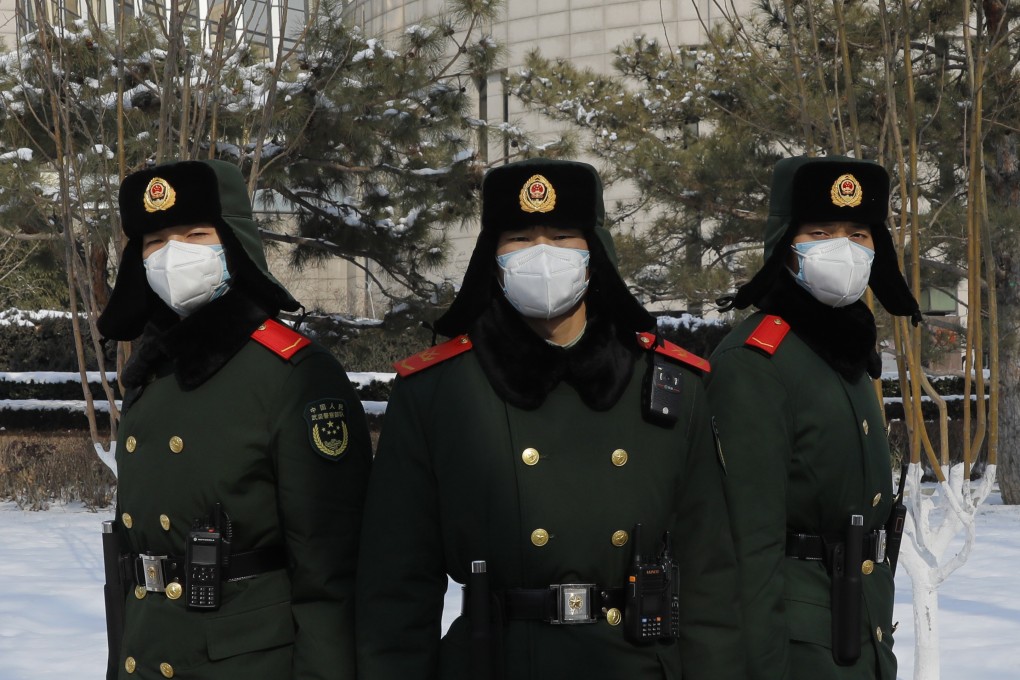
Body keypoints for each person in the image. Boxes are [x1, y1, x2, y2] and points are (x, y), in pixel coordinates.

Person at [355, 158, 743, 679]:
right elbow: (396, 589)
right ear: (490, 256)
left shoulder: (671, 384)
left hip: (634, 662)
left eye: (562, 236)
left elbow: (709, 579)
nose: (542, 255)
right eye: (519, 237)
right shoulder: (437, 391)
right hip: (496, 659)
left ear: (594, 253)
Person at [97, 159, 371, 680]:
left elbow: (331, 576)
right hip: (149, 652)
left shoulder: (292, 376)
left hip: (246, 661)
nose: (173, 253)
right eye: (155, 240)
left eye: (195, 233)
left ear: (234, 242)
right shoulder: (152, 373)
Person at [706, 155, 922, 680]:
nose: (842, 247)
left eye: (858, 233)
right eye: (820, 231)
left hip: (861, 627)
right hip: (796, 645)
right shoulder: (755, 361)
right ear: (785, 244)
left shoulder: (843, 347)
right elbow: (747, 549)